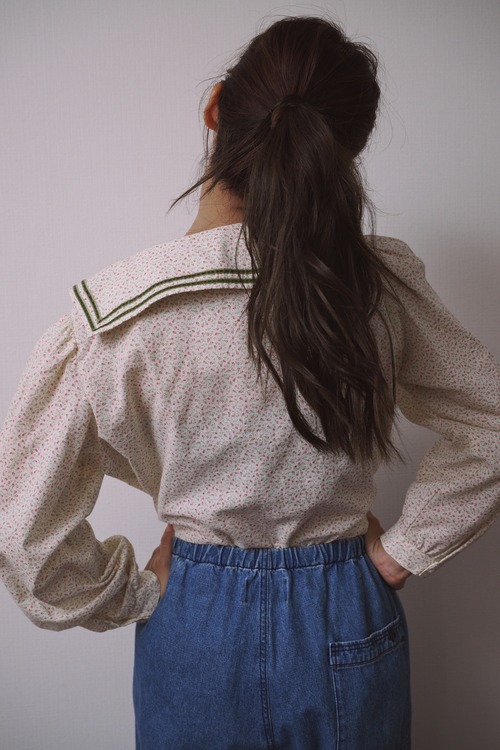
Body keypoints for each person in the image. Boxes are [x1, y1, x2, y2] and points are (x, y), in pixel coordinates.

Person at [0, 15, 498, 750]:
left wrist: (125, 590)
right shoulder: (376, 287)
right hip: (344, 612)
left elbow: (24, 533)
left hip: (195, 620)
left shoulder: (114, 314)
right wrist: (403, 549)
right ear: (342, 152)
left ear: (216, 108)